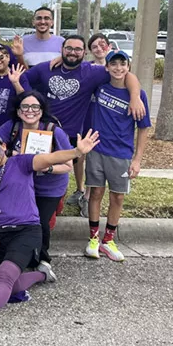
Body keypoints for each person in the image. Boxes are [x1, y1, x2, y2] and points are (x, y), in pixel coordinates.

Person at [0, 131, 101, 340]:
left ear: (3, 146)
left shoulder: (20, 162)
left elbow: (49, 159)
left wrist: (77, 151)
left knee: (4, 276)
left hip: (26, 229)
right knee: (9, 283)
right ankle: (43, 274)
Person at [22, 35, 146, 214]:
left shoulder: (91, 72)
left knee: (59, 173)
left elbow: (124, 73)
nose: (72, 52)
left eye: (77, 49)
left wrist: (135, 96)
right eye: (68, 48)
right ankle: (27, 209)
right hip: (43, 131)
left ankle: (52, 211)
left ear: (84, 53)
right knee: (36, 170)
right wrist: (31, 101)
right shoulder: (47, 67)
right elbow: (25, 78)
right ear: (62, 50)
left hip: (70, 133)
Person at [84, 50, 150, 262]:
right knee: (95, 193)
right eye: (114, 64)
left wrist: (137, 160)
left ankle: (109, 240)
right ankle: (93, 238)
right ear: (107, 67)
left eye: (123, 64)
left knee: (117, 197)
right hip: (96, 149)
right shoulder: (99, 86)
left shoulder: (139, 97)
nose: (118, 68)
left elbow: (143, 128)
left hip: (120, 153)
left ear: (128, 67)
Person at [0, 91, 73, 269]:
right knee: (20, 221)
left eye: (35, 106)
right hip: (21, 185)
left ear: (42, 109)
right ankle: (19, 256)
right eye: (25, 106)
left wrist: (49, 167)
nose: (30, 110)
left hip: (49, 186)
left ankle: (43, 259)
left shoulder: (53, 131)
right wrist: (12, 154)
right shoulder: (12, 127)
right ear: (18, 110)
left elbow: (69, 165)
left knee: (41, 222)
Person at [65, 33, 111, 212]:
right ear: (88, 52)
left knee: (94, 157)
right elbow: (68, 61)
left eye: (102, 45)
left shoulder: (115, 67)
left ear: (108, 46)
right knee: (80, 155)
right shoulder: (87, 68)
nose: (99, 49)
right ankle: (79, 188)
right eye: (95, 47)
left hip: (103, 119)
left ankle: (89, 195)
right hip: (85, 116)